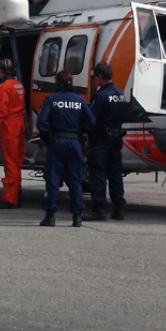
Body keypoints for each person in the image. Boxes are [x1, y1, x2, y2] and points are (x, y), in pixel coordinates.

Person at [36, 70, 95, 227]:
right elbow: (91, 122)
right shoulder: (80, 100)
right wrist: (80, 131)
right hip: (75, 143)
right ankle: (77, 217)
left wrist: (47, 138)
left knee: (53, 178)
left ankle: (50, 216)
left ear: (57, 82)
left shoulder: (52, 99)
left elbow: (41, 121)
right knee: (75, 180)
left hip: (57, 142)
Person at [0, 59, 26, 209]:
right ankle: (16, 193)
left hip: (9, 127)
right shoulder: (19, 85)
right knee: (17, 162)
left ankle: (10, 198)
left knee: (10, 163)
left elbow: (1, 112)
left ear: (0, 71)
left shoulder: (4, 88)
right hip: (19, 124)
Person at [87, 61, 127, 220]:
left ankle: (99, 209)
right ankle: (119, 208)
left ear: (98, 76)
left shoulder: (100, 95)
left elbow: (91, 118)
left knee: (98, 172)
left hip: (101, 139)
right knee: (115, 173)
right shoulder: (120, 94)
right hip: (116, 138)